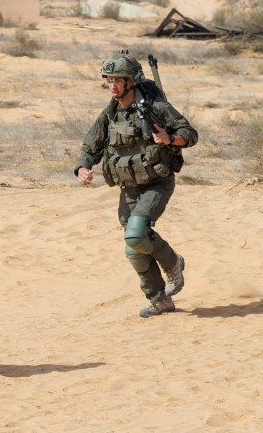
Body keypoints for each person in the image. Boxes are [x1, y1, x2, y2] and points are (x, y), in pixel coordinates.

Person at [74, 50, 198, 318]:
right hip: (128, 188)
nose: (113, 85)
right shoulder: (110, 114)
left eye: (118, 79)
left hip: (157, 183)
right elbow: (91, 145)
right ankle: (159, 300)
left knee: (135, 234)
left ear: (132, 81)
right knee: (134, 247)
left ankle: (173, 262)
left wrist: (169, 139)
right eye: (109, 80)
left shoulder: (156, 108)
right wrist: (83, 167)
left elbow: (189, 133)